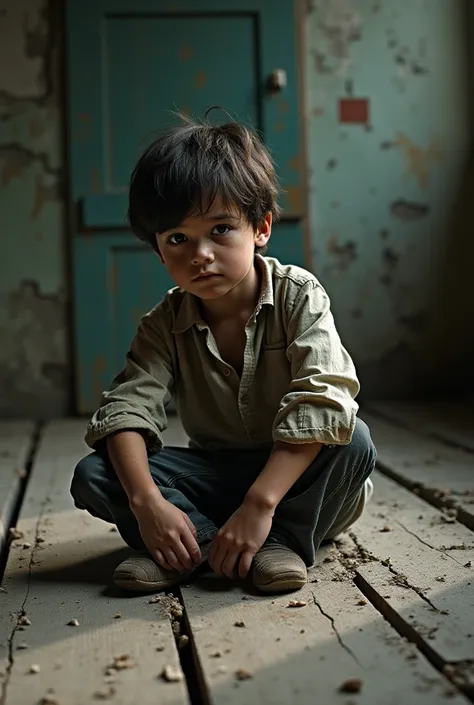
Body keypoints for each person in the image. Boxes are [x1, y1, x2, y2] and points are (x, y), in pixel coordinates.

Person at [70, 116, 376, 595]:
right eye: (177, 238)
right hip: (215, 474)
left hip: (299, 482)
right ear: (157, 249)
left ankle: (279, 541)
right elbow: (126, 409)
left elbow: (324, 398)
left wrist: (260, 503)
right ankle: (197, 547)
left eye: (220, 229)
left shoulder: (299, 296)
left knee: (353, 439)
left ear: (261, 228)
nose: (201, 255)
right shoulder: (163, 324)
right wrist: (148, 502)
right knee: (95, 472)